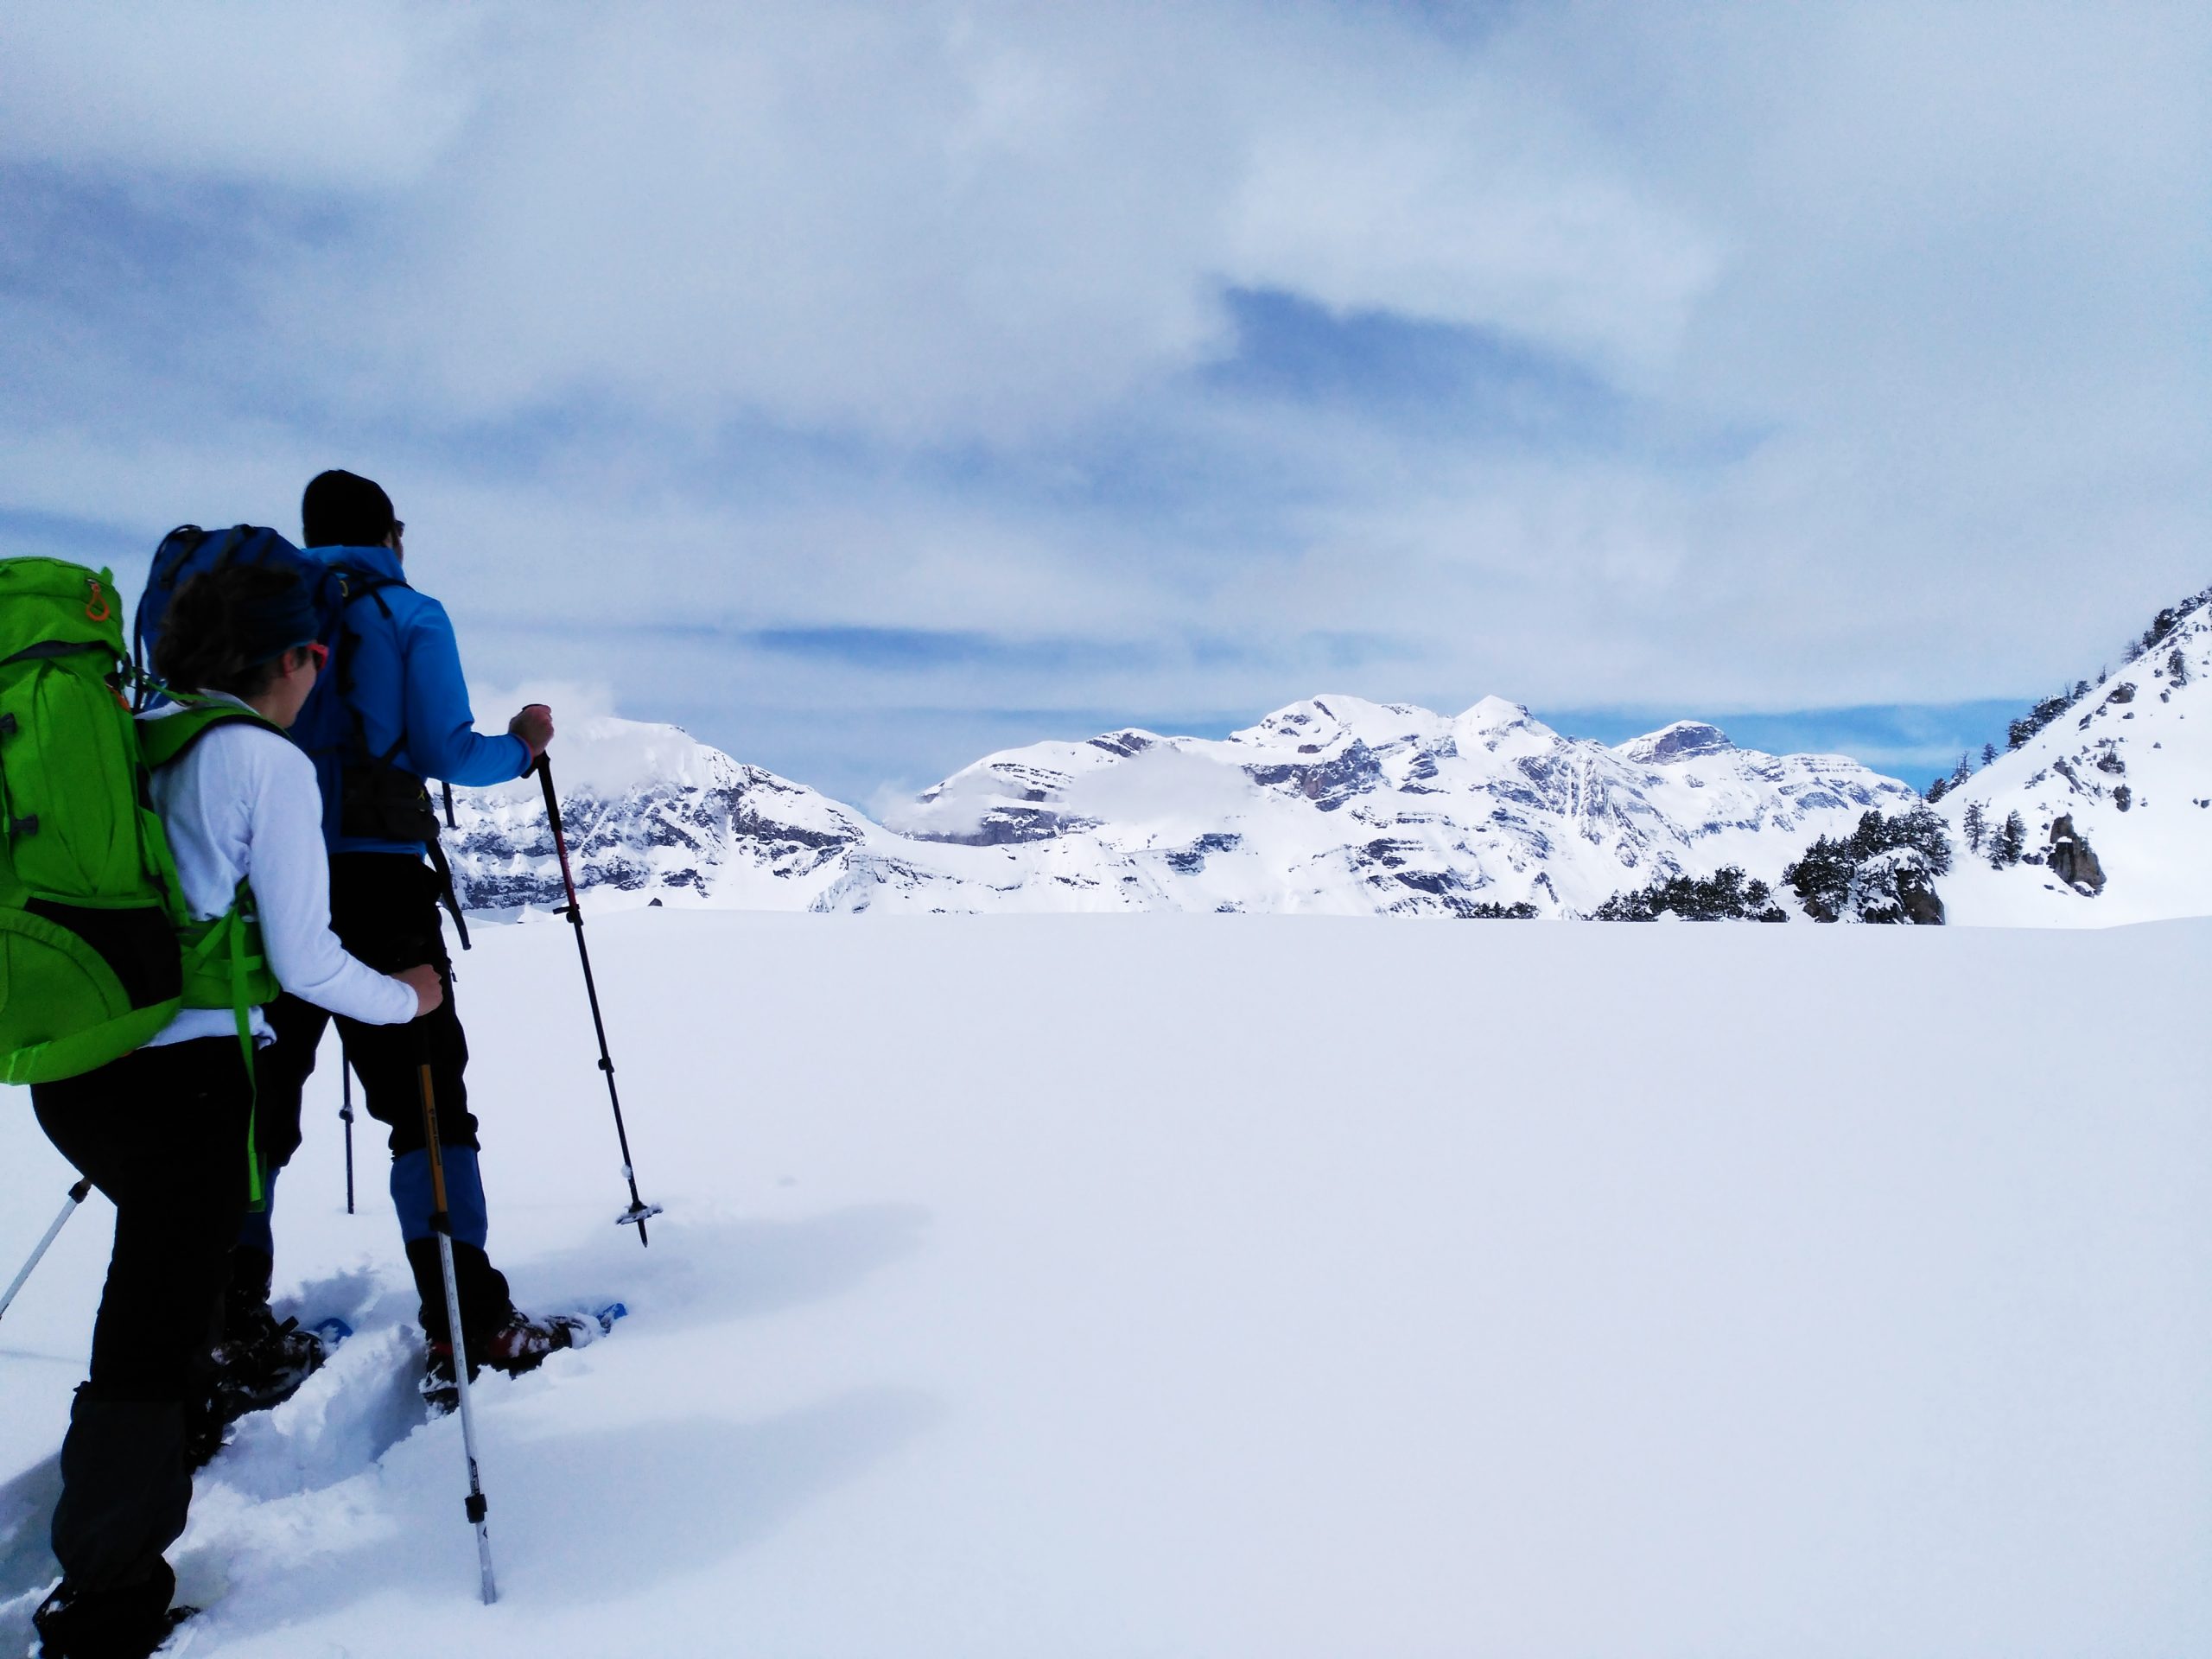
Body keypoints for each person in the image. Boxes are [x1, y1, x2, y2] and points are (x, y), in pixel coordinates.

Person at [30, 564, 437, 1659]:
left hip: (76, 1067)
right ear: (291, 659)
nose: (318, 675)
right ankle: (106, 1597)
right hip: (187, 1087)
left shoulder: (128, 736)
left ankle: (150, 1472)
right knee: (149, 1333)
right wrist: (407, 999)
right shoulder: (263, 760)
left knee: (159, 1299)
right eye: (316, 657)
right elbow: (306, 962)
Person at [240, 468, 577, 1400]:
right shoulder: (406, 610)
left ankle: (230, 1330)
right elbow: (444, 751)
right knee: (426, 1102)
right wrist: (523, 748)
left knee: (252, 1102)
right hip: (379, 883)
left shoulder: (256, 607)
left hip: (259, 880)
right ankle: (468, 1323)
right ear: (391, 533)